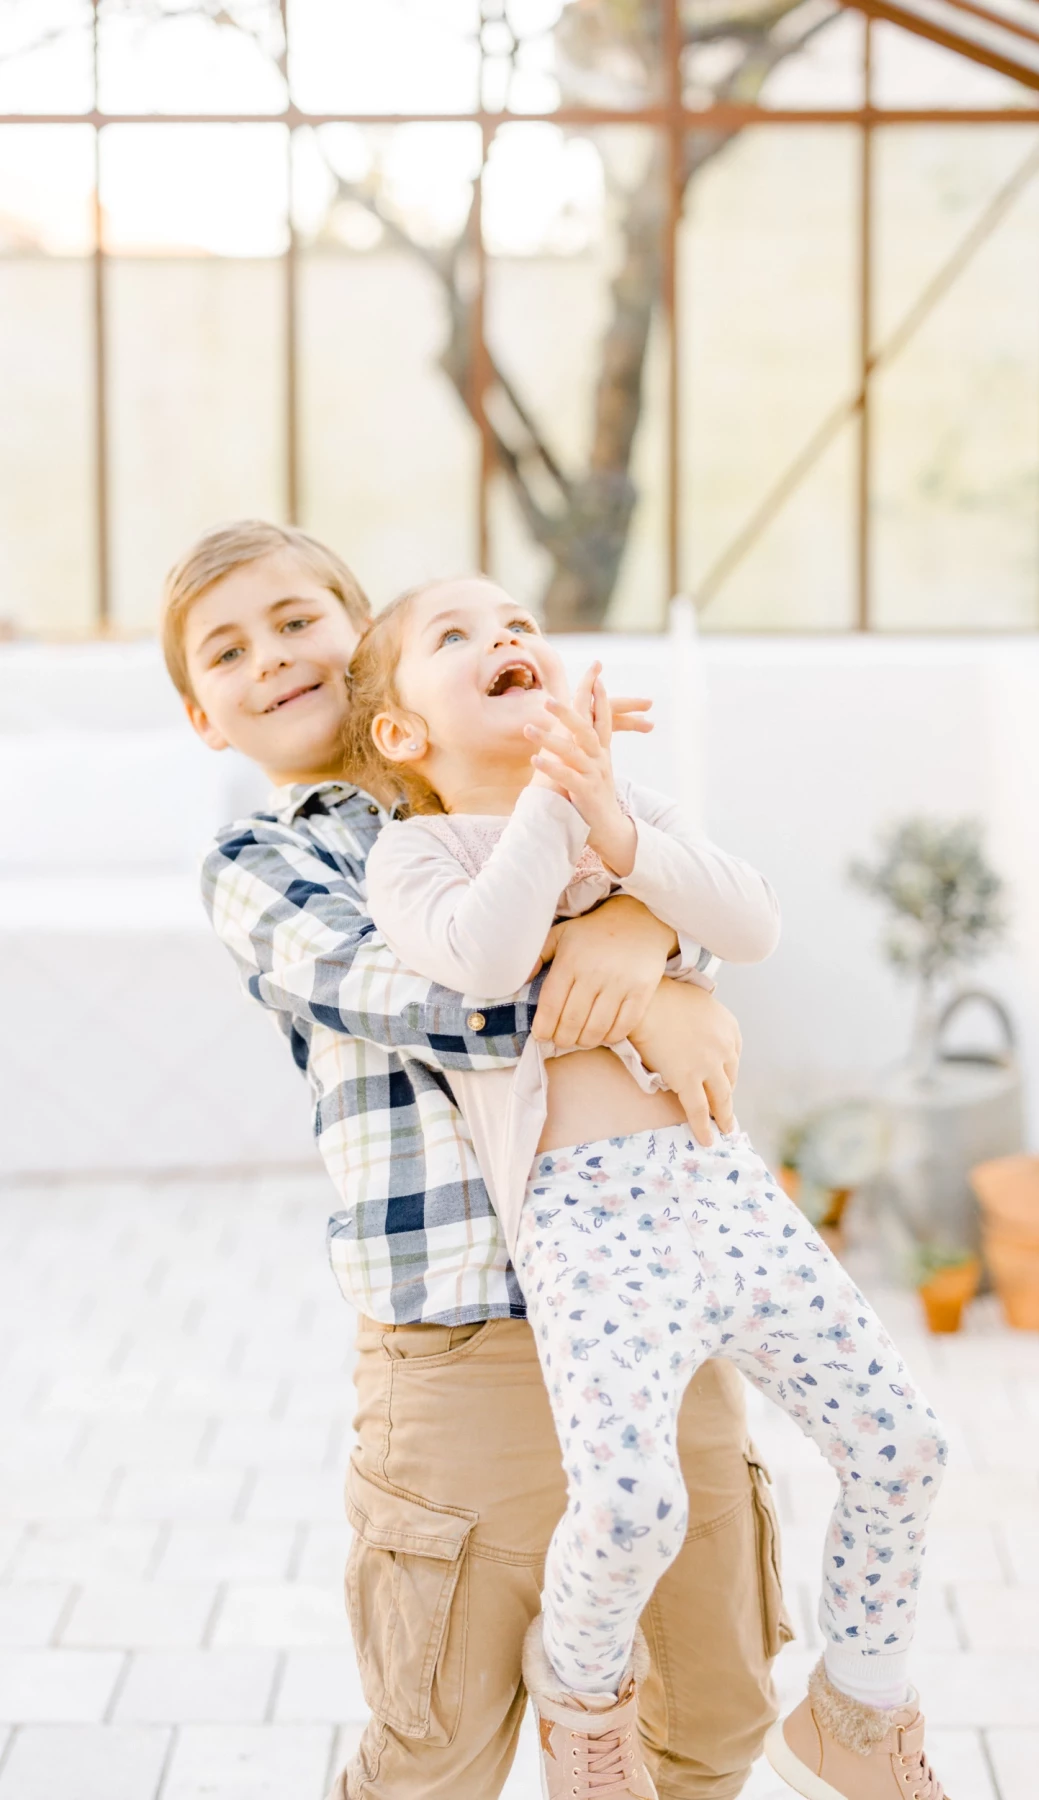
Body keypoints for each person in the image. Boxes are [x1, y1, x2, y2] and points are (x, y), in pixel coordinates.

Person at [162, 519, 793, 1800]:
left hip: (658, 1309)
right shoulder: (267, 861)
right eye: (227, 652)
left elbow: (706, 897)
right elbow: (426, 996)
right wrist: (639, 976)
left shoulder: (512, 766)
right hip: (467, 1341)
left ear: (365, 638)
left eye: (297, 620)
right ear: (202, 718)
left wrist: (643, 921)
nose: (270, 657)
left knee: (714, 1716)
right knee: (436, 1750)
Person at [348, 573, 952, 1800]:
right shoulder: (415, 854)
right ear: (404, 734)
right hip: (586, 1221)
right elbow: (485, 956)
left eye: (518, 622)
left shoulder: (622, 809)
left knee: (905, 1446)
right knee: (631, 1508)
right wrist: (555, 800)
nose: (503, 636)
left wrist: (618, 832)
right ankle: (582, 1698)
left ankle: (858, 1707)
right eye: (456, 634)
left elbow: (754, 922)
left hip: (721, 1184)